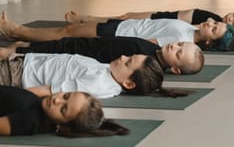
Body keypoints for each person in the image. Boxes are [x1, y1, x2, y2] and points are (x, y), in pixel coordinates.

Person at [0, 11, 234, 52]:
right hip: (120, 27)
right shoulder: (190, 29)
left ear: (210, 43)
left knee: (67, 33)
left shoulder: (182, 38)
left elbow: (145, 42)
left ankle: (16, 31)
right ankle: (17, 33)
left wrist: (106, 39)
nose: (210, 23)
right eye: (215, 23)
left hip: (115, 34)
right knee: (69, 30)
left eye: (214, 29)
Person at [0, 50, 170, 99]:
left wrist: (8, 95)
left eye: (127, 62)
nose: (123, 57)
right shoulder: (110, 73)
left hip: (16, 75)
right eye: (129, 56)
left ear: (129, 83)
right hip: (23, 63)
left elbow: (48, 90)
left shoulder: (98, 83)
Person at [0, 37, 204, 75]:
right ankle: (22, 46)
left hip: (81, 52)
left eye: (178, 53)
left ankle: (15, 51)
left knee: (55, 48)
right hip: (90, 44)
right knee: (56, 43)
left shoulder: (143, 61)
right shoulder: (154, 49)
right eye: (179, 44)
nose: (173, 47)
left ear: (175, 69)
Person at [0, 85, 129, 136]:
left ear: (63, 127)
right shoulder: (41, 107)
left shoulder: (30, 121)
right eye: (65, 96)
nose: (57, 100)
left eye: (63, 109)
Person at [65, 8, 234, 33]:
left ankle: (85, 20)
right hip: (165, 17)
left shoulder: (213, 27)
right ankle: (86, 19)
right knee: (126, 16)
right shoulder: (212, 17)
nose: (230, 18)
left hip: (162, 24)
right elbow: (180, 14)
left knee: (124, 20)